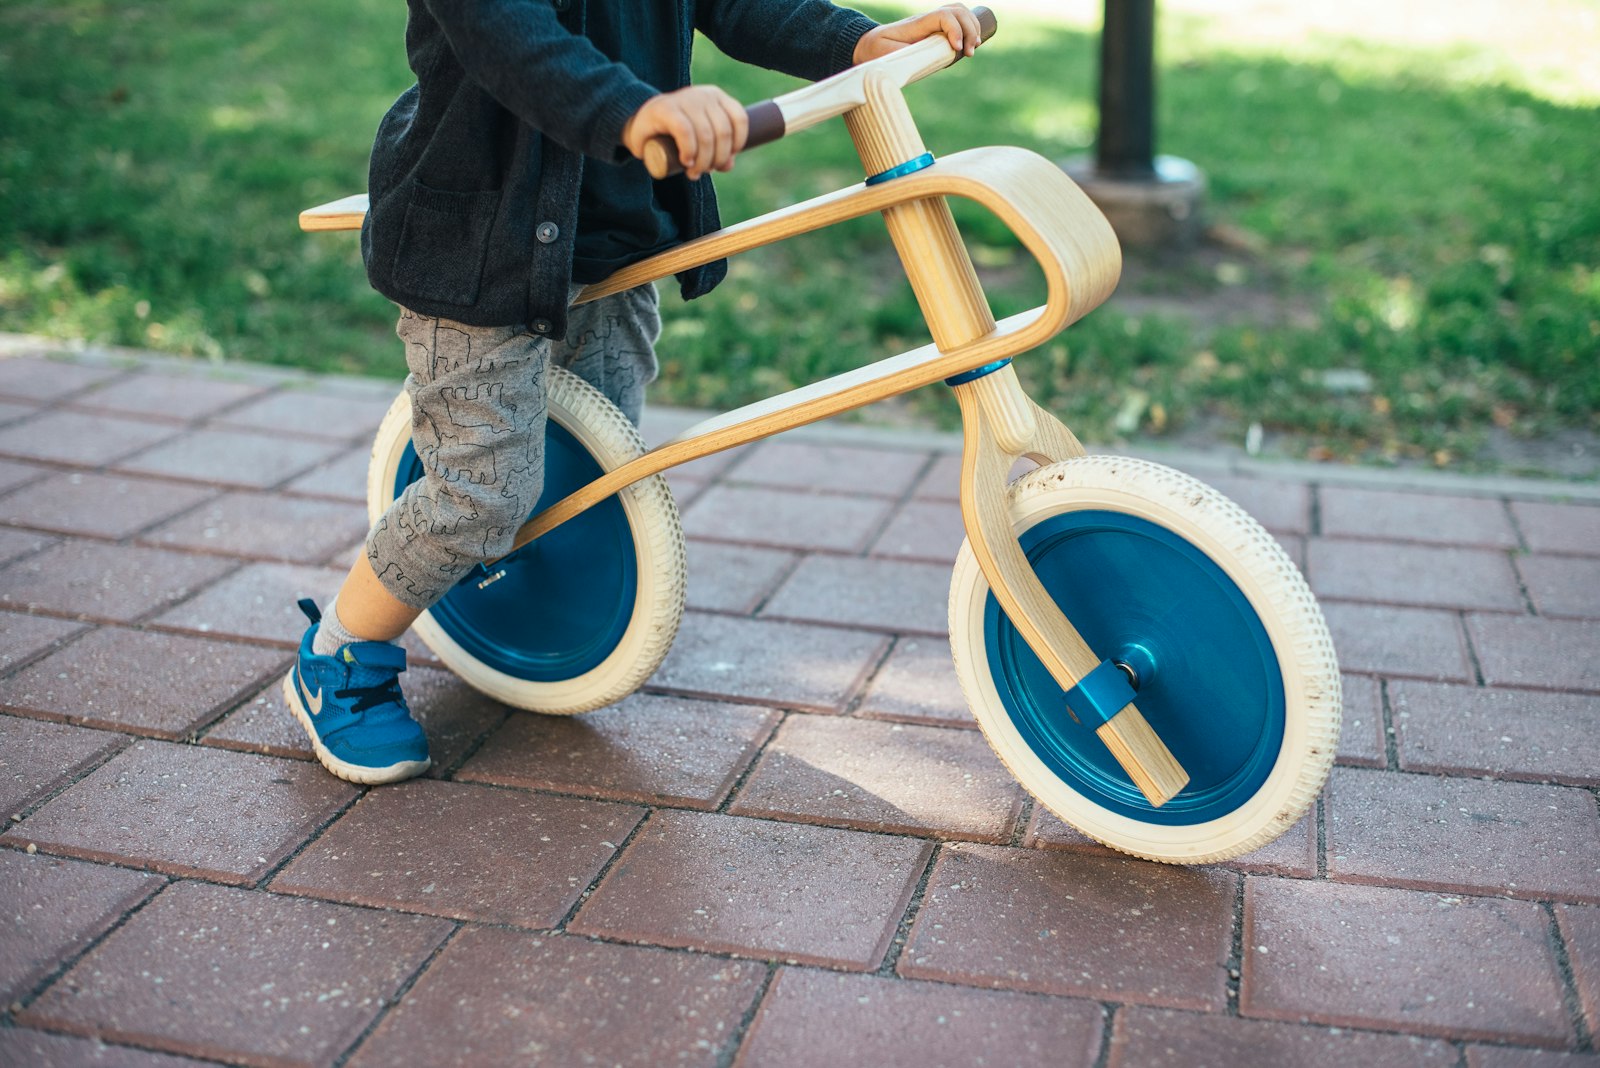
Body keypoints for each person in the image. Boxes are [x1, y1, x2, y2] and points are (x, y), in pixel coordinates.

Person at [285, 0, 985, 784]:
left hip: (611, 237)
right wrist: (642, 109)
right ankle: (339, 653)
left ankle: (532, 597)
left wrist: (852, 40)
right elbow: (518, 43)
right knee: (480, 494)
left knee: (594, 466)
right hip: (478, 254)